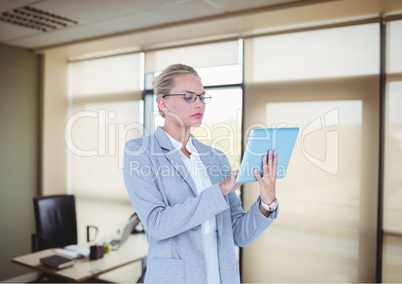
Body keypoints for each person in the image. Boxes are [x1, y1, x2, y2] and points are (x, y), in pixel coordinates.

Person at [123, 63, 279, 284]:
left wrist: (267, 200)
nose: (199, 104)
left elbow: (239, 234)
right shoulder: (140, 153)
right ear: (163, 104)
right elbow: (157, 225)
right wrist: (221, 190)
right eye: (189, 97)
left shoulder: (215, 158)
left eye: (201, 97)